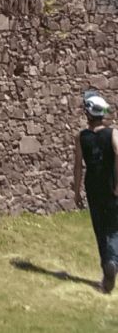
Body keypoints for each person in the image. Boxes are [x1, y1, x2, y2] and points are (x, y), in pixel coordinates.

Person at [73, 90, 118, 293]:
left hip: (93, 187)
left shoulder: (81, 137)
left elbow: (78, 166)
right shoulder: (113, 134)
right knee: (114, 228)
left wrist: (76, 191)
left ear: (88, 114)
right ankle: (112, 262)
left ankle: (107, 274)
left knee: (100, 229)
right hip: (112, 187)